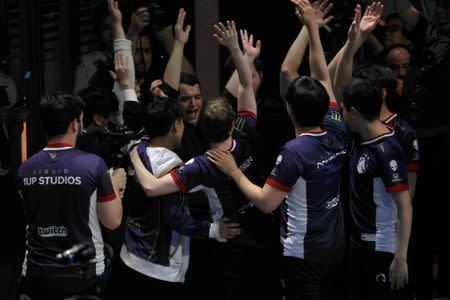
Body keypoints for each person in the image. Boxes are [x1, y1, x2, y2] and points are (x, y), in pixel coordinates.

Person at [208, 1, 347, 298]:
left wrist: (233, 170)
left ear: (290, 110)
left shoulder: (294, 152)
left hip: (303, 256)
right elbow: (323, 76)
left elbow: (266, 202)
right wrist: (311, 26)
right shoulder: (337, 128)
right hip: (335, 249)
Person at [129, 20, 263, 299]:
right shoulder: (246, 133)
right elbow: (246, 86)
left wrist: (134, 154)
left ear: (201, 128)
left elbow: (152, 188)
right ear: (231, 124)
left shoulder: (203, 165)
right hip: (261, 231)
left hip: (230, 243)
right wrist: (240, 53)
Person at [109, 96, 240, 300]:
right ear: (177, 125)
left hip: (128, 256)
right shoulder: (171, 166)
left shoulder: (138, 148)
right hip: (159, 269)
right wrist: (214, 230)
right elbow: (175, 217)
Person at [17, 93, 125, 299]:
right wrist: (115, 184)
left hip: (36, 274)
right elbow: (112, 221)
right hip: (83, 277)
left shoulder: (25, 169)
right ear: (76, 124)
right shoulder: (94, 165)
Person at [392, 1, 450, 298]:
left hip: (445, 146)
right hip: (417, 143)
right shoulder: (430, 33)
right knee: (418, 224)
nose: (441, 11)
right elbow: (407, 12)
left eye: (447, 7)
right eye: (439, 5)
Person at [340, 76, 413, 300]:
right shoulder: (357, 136)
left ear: (353, 112)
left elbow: (405, 206)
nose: (339, 113)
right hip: (358, 246)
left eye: (342, 109)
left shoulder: (387, 151)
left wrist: (400, 258)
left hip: (381, 249)